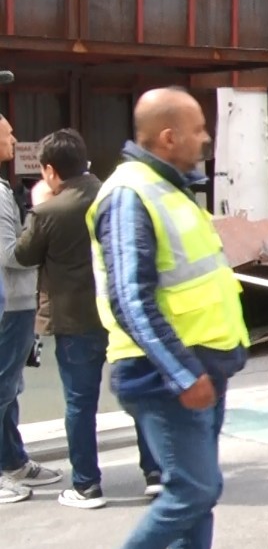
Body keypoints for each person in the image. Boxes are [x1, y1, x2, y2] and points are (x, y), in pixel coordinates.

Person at [89, 87, 249, 549]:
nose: (205, 138)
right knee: (193, 490)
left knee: (196, 494)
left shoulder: (169, 187)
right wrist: (182, 373)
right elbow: (129, 299)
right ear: (167, 137)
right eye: (197, 129)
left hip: (198, 366)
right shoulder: (128, 194)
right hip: (164, 374)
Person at [16, 129, 163, 509]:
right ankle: (155, 474)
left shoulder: (48, 212)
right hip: (123, 316)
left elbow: (23, 255)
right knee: (139, 394)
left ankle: (87, 485)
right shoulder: (115, 196)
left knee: (80, 404)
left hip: (75, 320)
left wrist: (38, 203)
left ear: (50, 171)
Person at [0, 113, 62, 504]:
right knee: (2, 388)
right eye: (7, 133)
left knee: (9, 388)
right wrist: (40, 222)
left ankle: (13, 461)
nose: (14, 138)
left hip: (16, 302)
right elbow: (9, 254)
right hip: (10, 303)